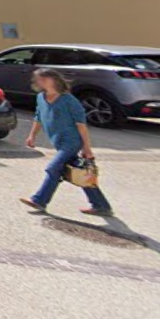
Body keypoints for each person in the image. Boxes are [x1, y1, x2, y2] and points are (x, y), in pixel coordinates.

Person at [19, 68, 114, 216]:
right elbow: (38, 117)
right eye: (39, 79)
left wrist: (86, 148)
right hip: (58, 141)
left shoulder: (69, 100)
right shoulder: (41, 97)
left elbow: (81, 125)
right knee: (79, 172)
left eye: (44, 78)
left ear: (55, 80)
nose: (40, 81)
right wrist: (32, 136)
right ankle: (101, 205)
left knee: (53, 168)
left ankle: (39, 200)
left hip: (71, 142)